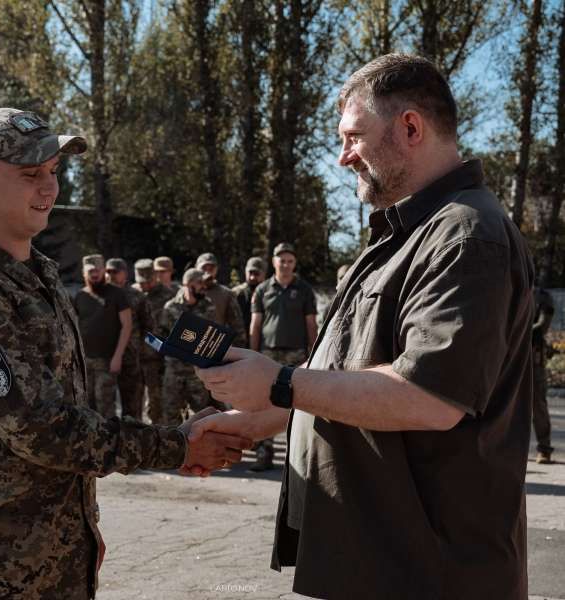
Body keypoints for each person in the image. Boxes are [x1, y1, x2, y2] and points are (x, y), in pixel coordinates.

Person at [191, 54, 534, 599]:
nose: (343, 156)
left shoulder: (467, 236)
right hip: (375, 559)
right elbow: (352, 371)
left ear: (411, 128)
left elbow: (428, 398)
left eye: (354, 137)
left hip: (428, 570)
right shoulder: (407, 232)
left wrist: (280, 382)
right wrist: (259, 417)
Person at [0, 107, 251, 600]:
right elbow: (42, 430)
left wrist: (79, 529)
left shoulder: (39, 273)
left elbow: (69, 411)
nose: (49, 189)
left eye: (53, 172)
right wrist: (175, 445)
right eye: (30, 175)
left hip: (52, 551)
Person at [247, 242, 317, 471]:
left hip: (297, 354)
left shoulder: (304, 289)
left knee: (299, 403)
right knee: (264, 402)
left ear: (294, 263)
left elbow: (311, 324)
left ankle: (297, 456)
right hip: (268, 353)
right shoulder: (262, 289)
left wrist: (314, 353)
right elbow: (255, 325)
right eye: (281, 260)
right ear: (274, 262)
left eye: (290, 261)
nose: (286, 265)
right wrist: (253, 355)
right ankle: (264, 453)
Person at [74, 254, 131, 417]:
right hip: (86, 361)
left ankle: (111, 441)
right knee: (88, 404)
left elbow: (127, 326)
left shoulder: (116, 294)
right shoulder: (80, 296)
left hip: (107, 360)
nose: (95, 273)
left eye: (98, 270)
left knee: (105, 404)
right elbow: (76, 326)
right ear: (84, 273)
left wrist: (118, 356)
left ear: (104, 271)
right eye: (91, 270)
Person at [159, 268, 219, 426]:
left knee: (201, 415)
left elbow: (212, 333)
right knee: (170, 413)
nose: (203, 286)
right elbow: (161, 334)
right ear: (188, 284)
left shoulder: (208, 306)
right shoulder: (170, 307)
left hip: (197, 372)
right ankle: (174, 448)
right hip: (174, 369)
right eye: (199, 283)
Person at [105, 257, 151, 419]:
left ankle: (133, 441)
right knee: (104, 406)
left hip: (131, 357)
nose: (110, 275)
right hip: (104, 358)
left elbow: (149, 327)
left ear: (124, 273)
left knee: (132, 405)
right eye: (108, 271)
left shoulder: (136, 296)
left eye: (115, 272)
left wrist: (142, 352)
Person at [132, 258, 175, 423]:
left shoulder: (168, 296)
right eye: (141, 282)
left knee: (155, 403)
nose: (145, 285)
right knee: (134, 403)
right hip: (134, 357)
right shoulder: (132, 293)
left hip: (156, 360)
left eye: (148, 281)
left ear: (155, 277)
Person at [195, 252, 247, 345]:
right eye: (204, 268)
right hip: (189, 343)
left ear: (216, 269)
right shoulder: (186, 291)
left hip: (212, 345)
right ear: (196, 268)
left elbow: (237, 327)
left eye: (211, 268)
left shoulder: (226, 294)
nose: (207, 272)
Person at [532, 286, 555, 464]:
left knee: (538, 405)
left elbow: (542, 326)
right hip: (507, 356)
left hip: (533, 358)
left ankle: (544, 449)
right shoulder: (508, 288)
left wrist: (516, 330)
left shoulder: (542, 297)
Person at [231, 256, 267, 337]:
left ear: (264, 274)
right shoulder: (236, 293)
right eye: (250, 273)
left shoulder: (269, 293)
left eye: (257, 274)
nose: (252, 277)